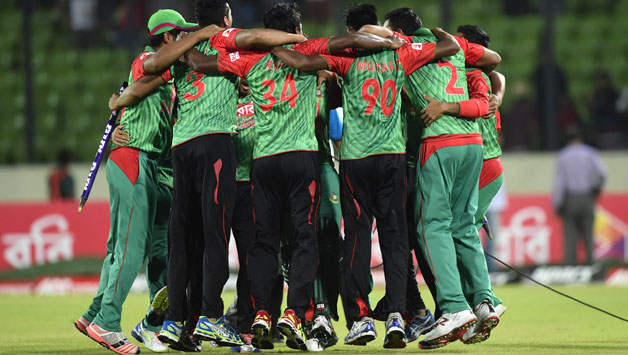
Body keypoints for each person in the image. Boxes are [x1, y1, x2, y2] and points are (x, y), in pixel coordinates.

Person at [183, 2, 408, 350]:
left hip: (264, 162)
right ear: (295, 26)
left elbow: (197, 62)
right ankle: (295, 311)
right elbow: (355, 43)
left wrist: (191, 40)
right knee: (306, 238)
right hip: (303, 159)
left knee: (265, 242)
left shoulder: (249, 60)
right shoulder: (308, 49)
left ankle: (260, 314)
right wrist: (390, 42)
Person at [271, 4, 460, 348]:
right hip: (392, 158)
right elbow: (450, 46)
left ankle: (360, 319)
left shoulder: (346, 59)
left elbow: (297, 60)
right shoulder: (401, 54)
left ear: (353, 31)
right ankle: (398, 317)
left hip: (356, 161)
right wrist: (397, 38)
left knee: (356, 239)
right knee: (395, 240)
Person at [140, 0, 309, 347]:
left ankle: (175, 323)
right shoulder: (222, 39)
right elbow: (257, 37)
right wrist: (293, 39)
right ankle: (211, 317)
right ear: (225, 18)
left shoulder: (182, 50)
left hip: (181, 148)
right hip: (215, 146)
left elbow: (154, 65)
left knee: (183, 239)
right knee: (215, 238)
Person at [360, 8, 503, 349]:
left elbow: (366, 30)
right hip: (473, 145)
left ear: (395, 31)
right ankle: (484, 302)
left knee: (430, 227)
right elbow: (494, 59)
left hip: (439, 142)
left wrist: (387, 35)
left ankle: (453, 308)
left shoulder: (405, 48)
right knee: (463, 226)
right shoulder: (454, 45)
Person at [72, 9, 187, 354]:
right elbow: (139, 84)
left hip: (145, 162)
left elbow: (139, 100)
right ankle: (107, 324)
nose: (185, 40)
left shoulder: (167, 76)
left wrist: (121, 105)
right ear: (168, 37)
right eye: (182, 34)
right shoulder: (150, 59)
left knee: (122, 248)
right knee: (129, 249)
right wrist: (124, 102)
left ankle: (94, 314)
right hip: (135, 158)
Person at [553, 125, 607, 265]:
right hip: (587, 196)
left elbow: (560, 182)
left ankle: (571, 267)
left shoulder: (563, 156)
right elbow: (602, 174)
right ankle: (591, 267)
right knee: (588, 234)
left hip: (570, 198)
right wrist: (596, 189)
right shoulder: (591, 153)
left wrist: (558, 203)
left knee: (570, 236)